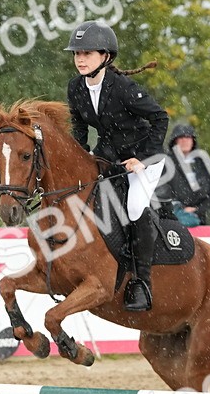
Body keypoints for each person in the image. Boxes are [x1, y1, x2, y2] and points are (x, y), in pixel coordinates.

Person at [65, 20, 168, 312]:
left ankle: (141, 282)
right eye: (76, 54)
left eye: (87, 53)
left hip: (143, 160)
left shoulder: (123, 88)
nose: (80, 59)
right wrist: (79, 157)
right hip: (109, 157)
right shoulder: (76, 88)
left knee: (135, 207)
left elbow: (160, 118)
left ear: (105, 57)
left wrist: (144, 158)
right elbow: (79, 128)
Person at [156, 123, 210, 226]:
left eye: (188, 137)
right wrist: (179, 209)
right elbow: (161, 190)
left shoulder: (203, 163)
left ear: (193, 141)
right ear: (175, 141)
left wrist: (197, 210)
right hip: (173, 219)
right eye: (181, 137)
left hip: (199, 220)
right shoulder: (165, 163)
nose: (185, 140)